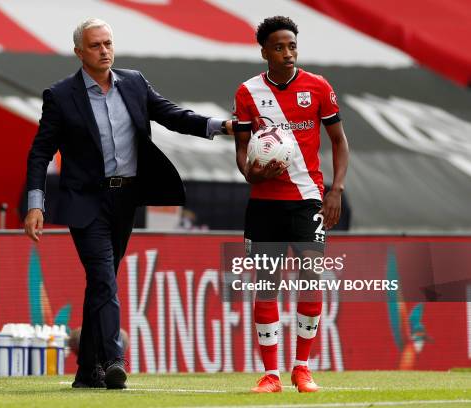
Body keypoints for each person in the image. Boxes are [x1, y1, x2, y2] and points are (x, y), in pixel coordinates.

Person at [24, 18, 231, 389]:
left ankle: (88, 371)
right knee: (103, 278)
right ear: (78, 53)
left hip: (126, 198)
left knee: (100, 284)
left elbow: (171, 114)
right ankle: (114, 359)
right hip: (85, 201)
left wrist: (219, 125)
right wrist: (35, 203)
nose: (104, 51)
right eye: (95, 46)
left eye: (108, 43)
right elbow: (40, 153)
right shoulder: (60, 95)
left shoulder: (134, 82)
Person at [232, 16, 349, 393]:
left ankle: (302, 368)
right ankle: (271, 375)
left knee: (312, 281)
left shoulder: (318, 87)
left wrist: (337, 189)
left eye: (292, 46)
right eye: (279, 47)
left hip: (307, 201)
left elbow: (339, 142)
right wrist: (252, 172)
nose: (288, 53)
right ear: (264, 51)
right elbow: (240, 149)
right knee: (266, 285)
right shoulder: (247, 92)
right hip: (265, 204)